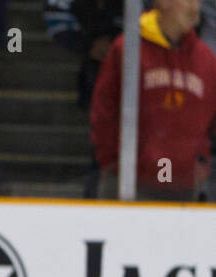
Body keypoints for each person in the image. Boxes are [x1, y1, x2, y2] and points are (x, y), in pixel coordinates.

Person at [90, 0, 216, 200]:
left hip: (184, 186)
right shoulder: (128, 48)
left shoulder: (205, 59)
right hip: (129, 184)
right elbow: (104, 111)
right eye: (188, 0)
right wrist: (113, 163)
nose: (195, 8)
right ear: (163, 2)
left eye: (197, 1)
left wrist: (200, 163)